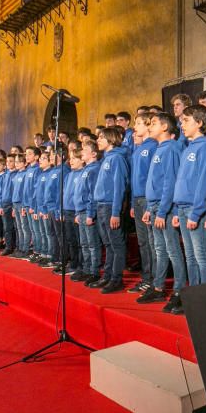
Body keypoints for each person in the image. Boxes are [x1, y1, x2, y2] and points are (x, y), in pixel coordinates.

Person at [139, 113, 188, 313]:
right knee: (159, 249)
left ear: (166, 126)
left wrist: (163, 211)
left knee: (172, 250)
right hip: (155, 206)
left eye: (153, 123)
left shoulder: (172, 149)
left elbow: (170, 182)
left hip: (164, 209)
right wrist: (150, 208)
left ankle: (179, 291)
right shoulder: (160, 148)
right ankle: (158, 286)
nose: (149, 127)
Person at [174, 105, 206, 287]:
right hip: (183, 207)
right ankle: (193, 296)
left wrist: (197, 212)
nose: (182, 125)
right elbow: (181, 182)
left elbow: (204, 182)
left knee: (201, 255)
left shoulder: (205, 147)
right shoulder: (188, 148)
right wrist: (177, 210)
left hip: (194, 209)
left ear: (199, 123)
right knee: (190, 255)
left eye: (186, 121)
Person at [92, 126, 129, 293]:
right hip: (101, 205)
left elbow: (119, 187)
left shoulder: (117, 159)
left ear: (111, 139)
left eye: (101, 138)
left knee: (116, 244)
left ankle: (116, 278)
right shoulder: (106, 158)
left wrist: (115, 212)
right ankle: (107, 275)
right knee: (108, 243)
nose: (98, 140)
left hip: (109, 206)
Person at [128, 113, 158, 294]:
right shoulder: (137, 149)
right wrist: (133, 203)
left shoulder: (152, 146)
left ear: (148, 126)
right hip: (138, 199)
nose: (134, 127)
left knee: (152, 242)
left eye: (138, 123)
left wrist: (150, 202)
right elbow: (134, 180)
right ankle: (147, 276)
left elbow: (152, 177)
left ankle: (155, 278)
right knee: (143, 242)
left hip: (148, 199)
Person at [76, 140, 104, 285]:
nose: (82, 152)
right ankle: (86, 269)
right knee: (84, 243)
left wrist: (89, 213)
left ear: (93, 154)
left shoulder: (94, 169)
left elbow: (92, 194)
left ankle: (94, 271)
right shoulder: (85, 169)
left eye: (85, 150)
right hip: (80, 211)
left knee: (93, 244)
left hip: (87, 212)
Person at [8, 153, 28, 257]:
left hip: (21, 203)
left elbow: (25, 192)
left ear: (24, 163)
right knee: (19, 227)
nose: (16, 164)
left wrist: (24, 206)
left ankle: (25, 249)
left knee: (24, 227)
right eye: (15, 161)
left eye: (19, 162)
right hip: (15, 204)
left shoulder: (25, 174)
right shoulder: (16, 175)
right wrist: (12, 207)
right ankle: (20, 248)